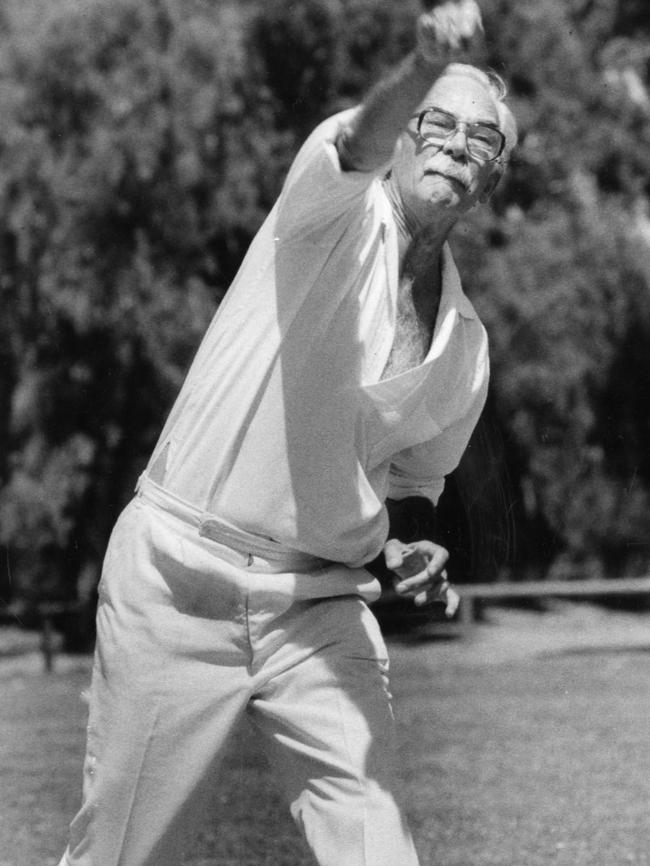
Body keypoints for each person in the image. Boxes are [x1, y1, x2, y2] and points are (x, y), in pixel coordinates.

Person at [58, 1, 516, 864]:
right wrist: (421, 63)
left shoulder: (467, 348)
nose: (457, 144)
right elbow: (353, 144)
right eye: (438, 123)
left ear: (492, 181)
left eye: (482, 140)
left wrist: (414, 546)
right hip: (177, 583)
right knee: (121, 854)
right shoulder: (328, 212)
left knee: (380, 851)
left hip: (319, 609)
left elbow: (412, 487)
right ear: (406, 138)